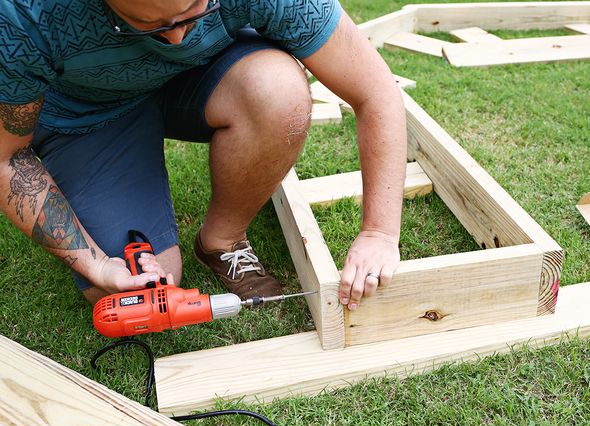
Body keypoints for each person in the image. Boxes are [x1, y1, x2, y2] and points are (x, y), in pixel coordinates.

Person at [0, 0, 405, 312]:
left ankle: (222, 240)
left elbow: (376, 92)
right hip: (88, 112)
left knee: (277, 91)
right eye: (149, 24)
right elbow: (8, 159)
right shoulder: (24, 15)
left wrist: (379, 234)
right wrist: (98, 266)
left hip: (203, 73)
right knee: (146, 290)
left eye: (193, 11)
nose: (176, 39)